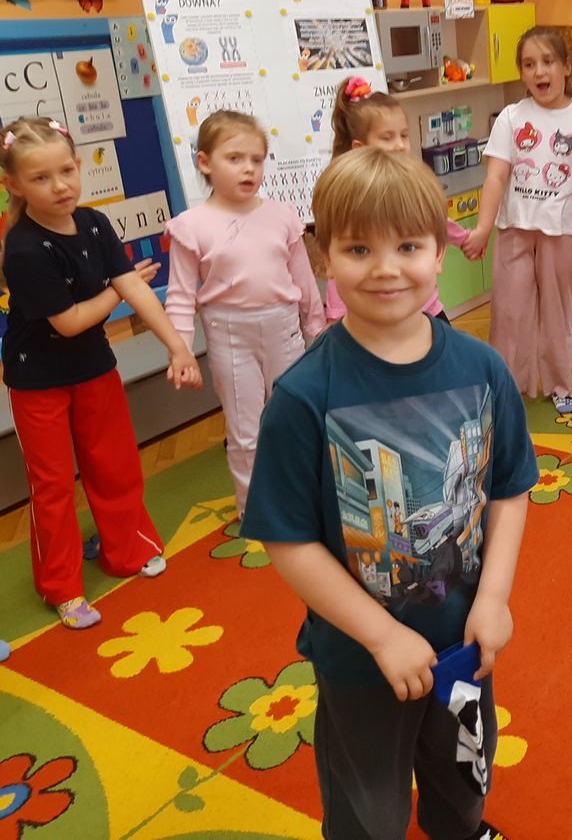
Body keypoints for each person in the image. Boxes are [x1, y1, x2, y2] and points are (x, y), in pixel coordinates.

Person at [240, 148, 538, 838]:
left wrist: (493, 598)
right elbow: (288, 540)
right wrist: (380, 635)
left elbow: (507, 490)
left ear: (440, 252)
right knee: (368, 811)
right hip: (360, 660)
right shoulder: (304, 396)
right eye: (358, 248)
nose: (385, 268)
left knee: (466, 777)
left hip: (464, 645)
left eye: (407, 246)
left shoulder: (483, 369)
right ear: (324, 257)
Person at [1, 116, 202, 628]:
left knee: (114, 464)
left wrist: (177, 347)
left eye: (66, 170)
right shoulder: (24, 248)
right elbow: (70, 321)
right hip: (37, 382)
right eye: (40, 177)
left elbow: (135, 289)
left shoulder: (93, 222)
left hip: (94, 370)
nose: (59, 186)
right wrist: (118, 288)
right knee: (52, 486)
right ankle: (62, 586)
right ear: (13, 185)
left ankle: (128, 549)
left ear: (78, 165)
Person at [164, 110, 324, 518]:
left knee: (294, 416)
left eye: (256, 159)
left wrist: (316, 327)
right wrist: (181, 350)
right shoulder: (191, 226)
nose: (249, 168)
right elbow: (181, 296)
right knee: (245, 429)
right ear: (205, 162)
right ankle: (255, 508)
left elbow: (303, 278)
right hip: (229, 335)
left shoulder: (281, 215)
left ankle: (302, 497)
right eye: (234, 158)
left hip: (283, 328)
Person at [464, 26, 572, 414]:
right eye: (529, 64)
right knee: (508, 313)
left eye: (548, 61)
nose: (539, 71)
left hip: (564, 234)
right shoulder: (511, 118)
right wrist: (482, 229)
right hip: (514, 230)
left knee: (557, 314)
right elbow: (495, 177)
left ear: (566, 67)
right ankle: (507, 385)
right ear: (522, 73)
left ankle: (559, 385)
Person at [322, 75, 470, 326]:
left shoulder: (412, 184)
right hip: (376, 316)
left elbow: (435, 221)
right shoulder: (349, 199)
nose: (400, 145)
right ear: (360, 147)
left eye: (404, 135)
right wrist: (335, 314)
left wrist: (464, 237)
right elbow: (340, 254)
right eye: (387, 137)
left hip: (426, 310)